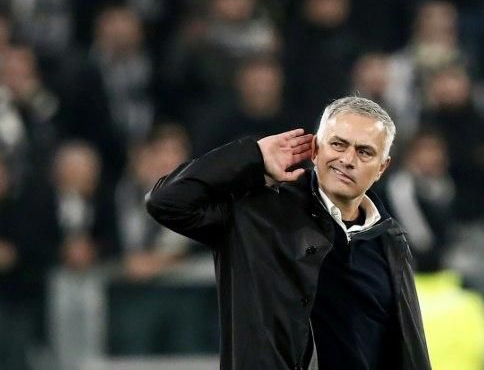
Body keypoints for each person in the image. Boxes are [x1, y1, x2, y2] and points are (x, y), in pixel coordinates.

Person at [146, 96, 431, 369]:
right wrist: (253, 156)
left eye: (364, 152)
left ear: (382, 167)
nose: (348, 159)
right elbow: (167, 201)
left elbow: (406, 350)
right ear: (316, 148)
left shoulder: (390, 241)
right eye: (338, 144)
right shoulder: (257, 213)